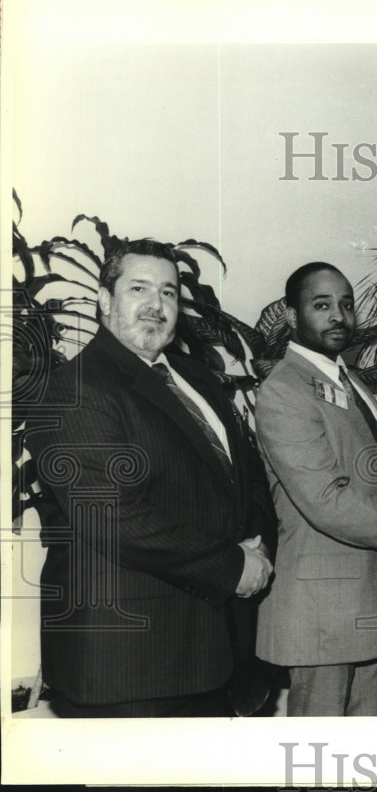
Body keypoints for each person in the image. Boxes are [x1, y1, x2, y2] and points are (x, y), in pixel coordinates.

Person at [27, 239, 276, 717]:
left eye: (167, 292)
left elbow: (247, 474)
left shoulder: (199, 379)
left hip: (215, 653)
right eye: (138, 288)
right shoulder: (73, 390)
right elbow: (117, 517)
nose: (155, 305)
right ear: (105, 299)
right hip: (130, 668)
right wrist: (233, 567)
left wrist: (259, 545)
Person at [254, 262, 377, 716]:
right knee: (320, 759)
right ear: (292, 317)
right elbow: (327, 500)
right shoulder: (284, 390)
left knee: (374, 754)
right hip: (324, 611)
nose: (339, 315)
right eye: (322, 305)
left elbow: (360, 462)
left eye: (346, 304)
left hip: (371, 597)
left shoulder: (345, 378)